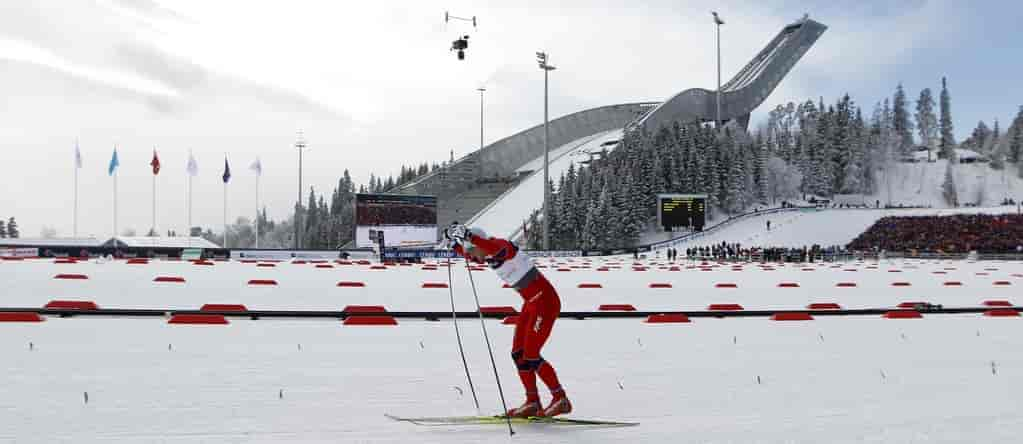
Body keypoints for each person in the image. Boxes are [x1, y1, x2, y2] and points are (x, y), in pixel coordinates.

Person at [446, 223, 572, 418]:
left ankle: (560, 399)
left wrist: (469, 236)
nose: (473, 256)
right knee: (518, 354)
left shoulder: (501, 246)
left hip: (545, 302)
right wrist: (454, 245)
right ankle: (532, 401)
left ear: (478, 243)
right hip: (531, 303)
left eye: (472, 250)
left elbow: (494, 248)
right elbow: (474, 255)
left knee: (531, 354)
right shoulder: (486, 254)